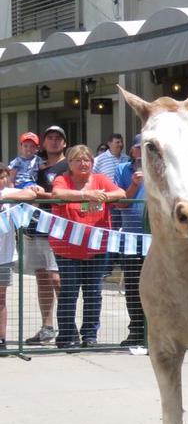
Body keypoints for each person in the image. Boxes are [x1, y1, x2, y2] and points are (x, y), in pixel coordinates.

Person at [48, 145, 124, 348]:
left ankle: (90, 336)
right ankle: (65, 337)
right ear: (70, 164)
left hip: (96, 247)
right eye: (77, 160)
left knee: (93, 292)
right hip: (67, 247)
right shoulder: (62, 178)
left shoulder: (100, 179)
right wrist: (88, 196)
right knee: (69, 292)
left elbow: (121, 193)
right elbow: (57, 194)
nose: (83, 164)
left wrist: (105, 196)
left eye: (87, 160)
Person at [22, 124, 68, 345]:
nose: (54, 141)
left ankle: (68, 327)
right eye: (50, 137)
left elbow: (67, 195)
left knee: (56, 278)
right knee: (42, 278)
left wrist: (44, 194)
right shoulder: (35, 166)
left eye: (58, 138)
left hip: (57, 229)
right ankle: (47, 327)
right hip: (34, 227)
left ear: (64, 143)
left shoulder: (69, 166)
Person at [113, 134, 147, 348]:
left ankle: (157, 331)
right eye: (139, 148)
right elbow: (120, 204)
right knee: (134, 288)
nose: (142, 152)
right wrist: (134, 185)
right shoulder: (122, 170)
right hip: (132, 238)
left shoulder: (163, 168)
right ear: (133, 151)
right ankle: (136, 330)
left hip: (158, 240)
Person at [0, 167, 38, 349]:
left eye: (2, 177)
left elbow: (31, 194)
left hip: (4, 256)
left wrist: (5, 198)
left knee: (0, 299)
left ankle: (1, 339)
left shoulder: (8, 192)